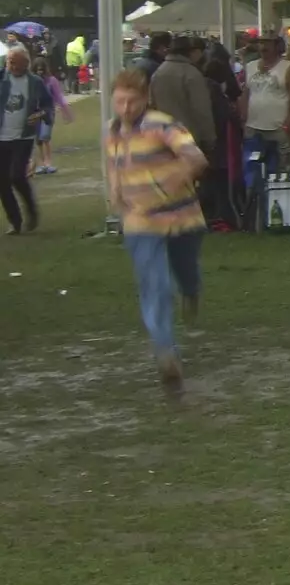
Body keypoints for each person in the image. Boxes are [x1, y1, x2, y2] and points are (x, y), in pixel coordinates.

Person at [104, 68, 209, 394]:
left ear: (145, 99)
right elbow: (114, 166)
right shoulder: (112, 132)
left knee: (185, 271)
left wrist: (181, 172)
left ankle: (191, 290)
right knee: (155, 287)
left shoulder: (162, 124)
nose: (125, 109)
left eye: (132, 102)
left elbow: (196, 157)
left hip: (181, 218)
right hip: (140, 222)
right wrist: (115, 192)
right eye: (120, 101)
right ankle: (167, 354)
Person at [0, 47, 51, 233]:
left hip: (23, 136)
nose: (11, 66)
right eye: (9, 62)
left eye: (15, 62)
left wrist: (39, 114)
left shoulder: (35, 82)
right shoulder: (2, 78)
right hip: (2, 138)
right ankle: (15, 221)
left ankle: (32, 211)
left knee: (17, 176)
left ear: (25, 64)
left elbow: (47, 104)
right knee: (2, 182)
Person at [240, 36, 290, 171]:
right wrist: (243, 119)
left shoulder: (287, 67)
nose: (263, 47)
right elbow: (245, 94)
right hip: (253, 127)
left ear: (277, 47)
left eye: (267, 43)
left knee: (283, 169)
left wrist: (287, 124)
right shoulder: (250, 66)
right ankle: (256, 191)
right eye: (260, 43)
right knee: (253, 169)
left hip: (278, 128)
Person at [150, 37, 216, 159]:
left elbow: (152, 103)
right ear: (193, 52)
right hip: (188, 136)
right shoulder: (191, 73)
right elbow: (201, 109)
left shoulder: (159, 71)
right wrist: (209, 138)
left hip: (163, 133)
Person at [28, 57, 72, 176]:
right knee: (38, 140)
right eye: (37, 70)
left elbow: (59, 97)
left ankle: (48, 162)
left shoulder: (51, 81)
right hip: (35, 113)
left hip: (48, 112)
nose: (39, 72)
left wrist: (66, 112)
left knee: (45, 137)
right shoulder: (31, 81)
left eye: (41, 70)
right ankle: (42, 163)